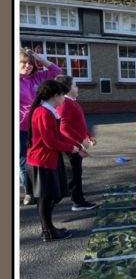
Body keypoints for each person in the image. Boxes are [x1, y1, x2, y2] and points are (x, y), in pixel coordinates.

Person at [27, 79, 87, 241]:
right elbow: (50, 141)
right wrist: (72, 148)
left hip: (49, 160)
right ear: (55, 96)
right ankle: (47, 231)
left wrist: (77, 146)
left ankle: (49, 228)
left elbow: (57, 135)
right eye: (62, 95)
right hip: (41, 161)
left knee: (55, 194)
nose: (64, 98)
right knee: (46, 198)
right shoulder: (43, 113)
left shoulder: (49, 111)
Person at [19, 48, 62, 205]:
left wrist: (39, 58)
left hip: (37, 124)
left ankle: (41, 188)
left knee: (40, 157)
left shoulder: (38, 77)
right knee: (23, 161)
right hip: (20, 128)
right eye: (23, 62)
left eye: (30, 63)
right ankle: (29, 191)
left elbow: (57, 70)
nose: (28, 65)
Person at [55, 75, 99, 212]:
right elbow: (64, 127)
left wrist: (88, 136)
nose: (77, 87)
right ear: (67, 89)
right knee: (73, 175)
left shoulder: (72, 102)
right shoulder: (65, 103)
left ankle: (78, 198)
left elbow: (78, 124)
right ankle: (75, 202)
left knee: (76, 173)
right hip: (71, 147)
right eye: (74, 85)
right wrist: (79, 144)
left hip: (76, 145)